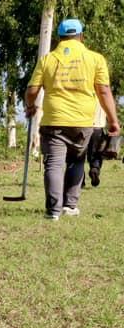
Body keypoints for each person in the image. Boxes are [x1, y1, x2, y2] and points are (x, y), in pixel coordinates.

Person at [24, 18, 121, 220]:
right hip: (82, 122)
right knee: (77, 161)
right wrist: (113, 120)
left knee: (54, 164)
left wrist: (30, 106)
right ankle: (70, 205)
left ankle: (53, 211)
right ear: (81, 36)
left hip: (53, 120)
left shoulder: (47, 59)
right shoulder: (95, 59)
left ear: (59, 37)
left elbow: (32, 90)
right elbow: (103, 91)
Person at [85, 104, 106, 188]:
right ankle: (95, 168)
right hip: (97, 126)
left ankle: (80, 181)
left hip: (81, 125)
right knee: (96, 153)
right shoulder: (101, 93)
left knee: (78, 156)